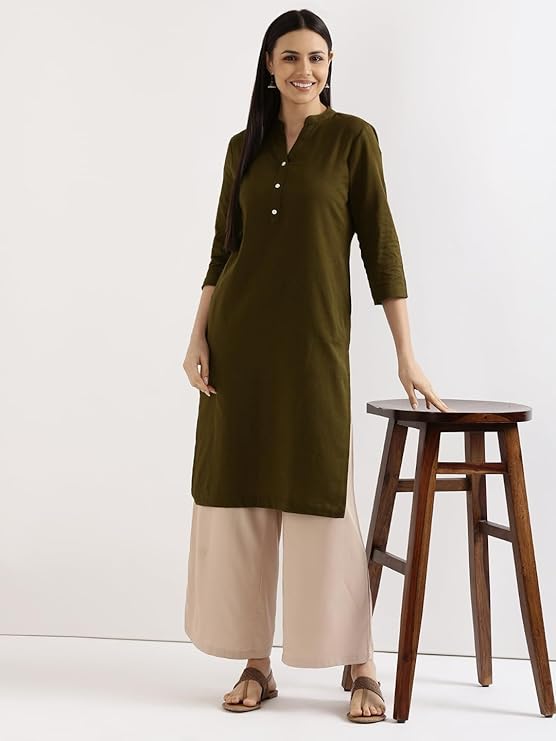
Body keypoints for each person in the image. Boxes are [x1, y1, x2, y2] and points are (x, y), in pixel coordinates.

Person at [182, 8, 449, 723]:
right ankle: (255, 660)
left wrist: (406, 352)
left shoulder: (353, 139)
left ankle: (360, 661)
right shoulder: (244, 147)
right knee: (242, 497)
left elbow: (381, 245)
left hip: (314, 347)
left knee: (322, 494)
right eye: (291, 57)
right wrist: (197, 335)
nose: (305, 71)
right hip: (240, 347)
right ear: (269, 66)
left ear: (330, 66)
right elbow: (223, 251)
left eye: (317, 58)